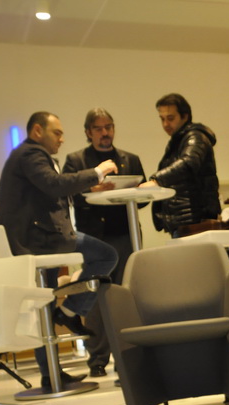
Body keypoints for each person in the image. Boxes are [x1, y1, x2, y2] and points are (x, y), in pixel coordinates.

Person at [0, 111, 119, 391]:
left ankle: (51, 373)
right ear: (37, 131)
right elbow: (53, 185)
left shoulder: (26, 155)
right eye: (57, 133)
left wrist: (89, 184)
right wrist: (97, 171)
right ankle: (71, 312)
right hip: (41, 241)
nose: (62, 139)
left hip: (40, 239)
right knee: (106, 255)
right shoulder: (31, 154)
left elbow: (51, 189)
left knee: (45, 308)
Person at [62, 108, 146, 378]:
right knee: (96, 297)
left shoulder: (131, 160)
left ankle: (127, 359)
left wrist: (132, 191)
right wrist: (91, 188)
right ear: (88, 132)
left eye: (108, 126)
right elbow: (66, 194)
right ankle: (97, 359)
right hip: (95, 238)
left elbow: (143, 198)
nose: (105, 132)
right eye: (98, 128)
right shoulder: (76, 160)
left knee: (126, 296)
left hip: (125, 234)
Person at [139, 93, 221, 237]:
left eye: (170, 118)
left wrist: (156, 181)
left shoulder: (195, 136)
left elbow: (188, 163)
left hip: (195, 220)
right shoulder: (180, 139)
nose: (165, 124)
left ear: (185, 116)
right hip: (186, 219)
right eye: (162, 119)